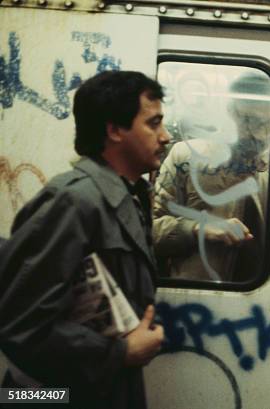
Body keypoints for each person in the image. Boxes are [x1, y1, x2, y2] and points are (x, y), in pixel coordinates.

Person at [0, 71, 168, 408]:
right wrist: (121, 353)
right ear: (114, 130)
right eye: (153, 124)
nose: (165, 137)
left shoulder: (130, 197)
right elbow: (21, 326)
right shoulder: (74, 201)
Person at [153, 71, 270, 282]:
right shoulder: (187, 157)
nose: (258, 135)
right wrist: (198, 228)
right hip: (201, 297)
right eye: (248, 120)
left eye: (266, 124)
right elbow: (148, 231)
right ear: (230, 113)